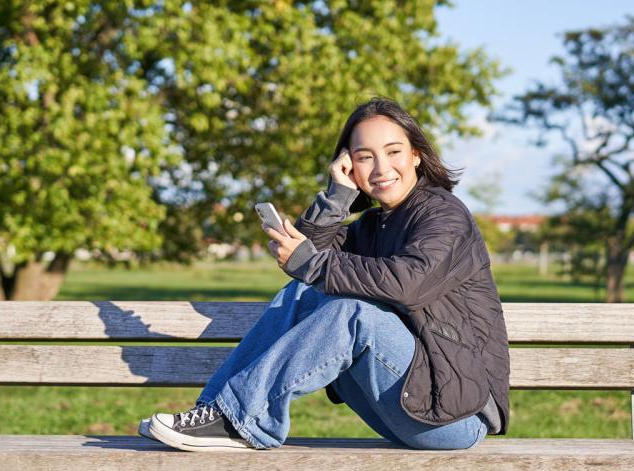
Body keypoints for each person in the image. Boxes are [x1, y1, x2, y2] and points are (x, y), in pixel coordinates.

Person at [142, 97, 510, 452]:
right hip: (406, 395)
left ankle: (241, 419)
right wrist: (336, 196)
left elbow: (407, 282)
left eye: (394, 151)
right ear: (350, 164)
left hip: (456, 413)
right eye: (365, 157)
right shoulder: (373, 226)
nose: (381, 168)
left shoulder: (444, 215)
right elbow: (313, 260)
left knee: (353, 314)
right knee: (301, 294)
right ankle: (215, 413)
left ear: (416, 154)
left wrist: (308, 263)